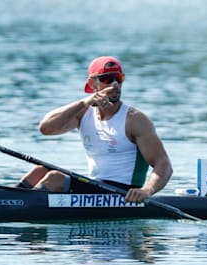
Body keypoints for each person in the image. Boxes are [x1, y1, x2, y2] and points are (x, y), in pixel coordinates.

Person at [16, 56, 173, 203]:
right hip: (96, 187)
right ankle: (10, 200)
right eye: (107, 79)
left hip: (123, 193)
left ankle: (20, 208)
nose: (114, 85)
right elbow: (45, 128)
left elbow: (163, 164)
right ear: (92, 84)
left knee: (55, 178)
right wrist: (85, 102)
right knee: (40, 170)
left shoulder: (135, 120)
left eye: (118, 78)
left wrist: (146, 191)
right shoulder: (83, 113)